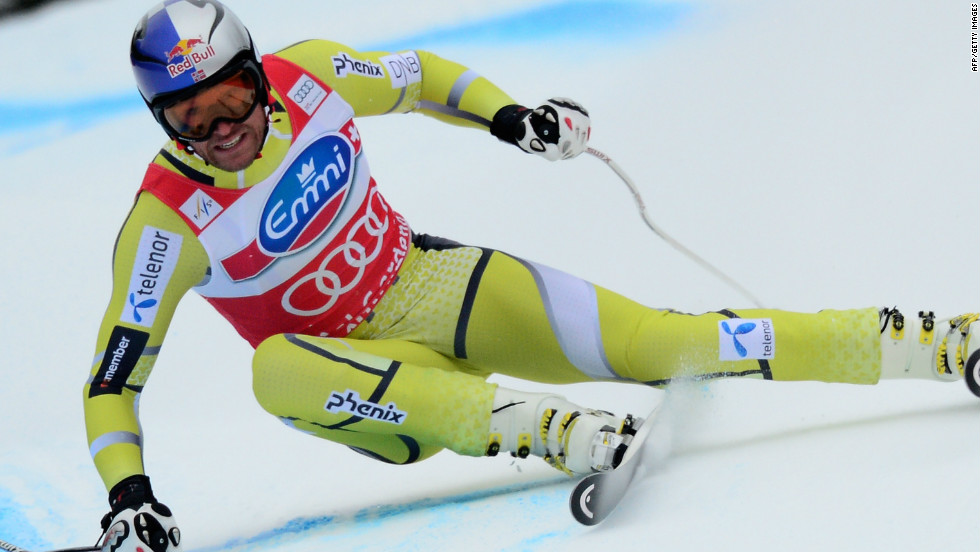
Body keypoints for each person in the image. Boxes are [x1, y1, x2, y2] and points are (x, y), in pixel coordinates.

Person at [85, 1, 978, 550]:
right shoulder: (165, 224)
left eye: (232, 98)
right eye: (192, 118)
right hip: (368, 387)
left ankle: (942, 343)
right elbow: (113, 381)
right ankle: (562, 434)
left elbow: (420, 77)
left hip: (434, 285)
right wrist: (129, 496)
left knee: (669, 342)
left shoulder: (311, 76)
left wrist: (509, 117)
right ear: (162, 121)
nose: (223, 128)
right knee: (271, 369)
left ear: (256, 75)